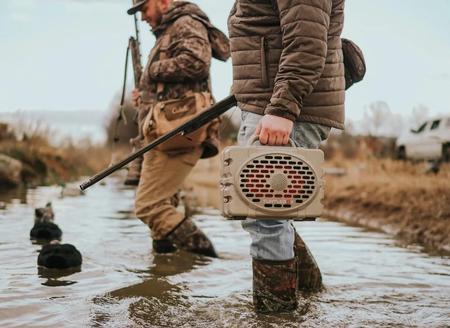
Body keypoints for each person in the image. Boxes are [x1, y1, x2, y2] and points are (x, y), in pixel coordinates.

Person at [228, 0, 346, 313]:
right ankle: (309, 296)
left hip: (285, 109)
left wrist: (282, 108)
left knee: (264, 216)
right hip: (270, 103)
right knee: (264, 212)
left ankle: (276, 316)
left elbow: (306, 38)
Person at [127, 0, 230, 257]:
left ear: (162, 2)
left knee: (148, 207)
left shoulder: (186, 23)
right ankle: (167, 276)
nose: (143, 17)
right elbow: (173, 82)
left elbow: (196, 62)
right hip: (163, 131)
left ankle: (205, 260)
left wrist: (151, 71)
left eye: (144, 9)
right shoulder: (170, 29)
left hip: (178, 130)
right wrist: (146, 94)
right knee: (163, 206)